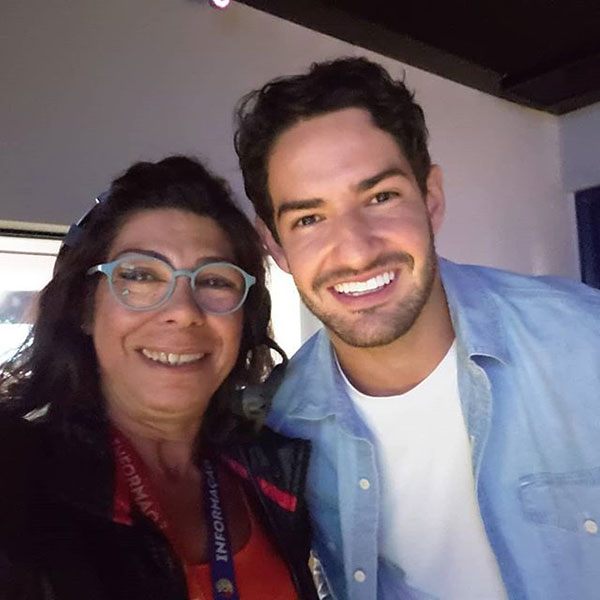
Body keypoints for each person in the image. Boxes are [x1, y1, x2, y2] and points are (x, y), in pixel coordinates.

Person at [234, 57, 600, 600]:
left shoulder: (586, 338)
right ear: (275, 246)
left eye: (380, 197)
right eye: (309, 219)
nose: (356, 250)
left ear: (430, 199)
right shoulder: (275, 432)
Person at [0, 155, 318, 600]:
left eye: (214, 280)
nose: (183, 311)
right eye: (140, 275)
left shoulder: (273, 476)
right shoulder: (17, 480)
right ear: (86, 308)